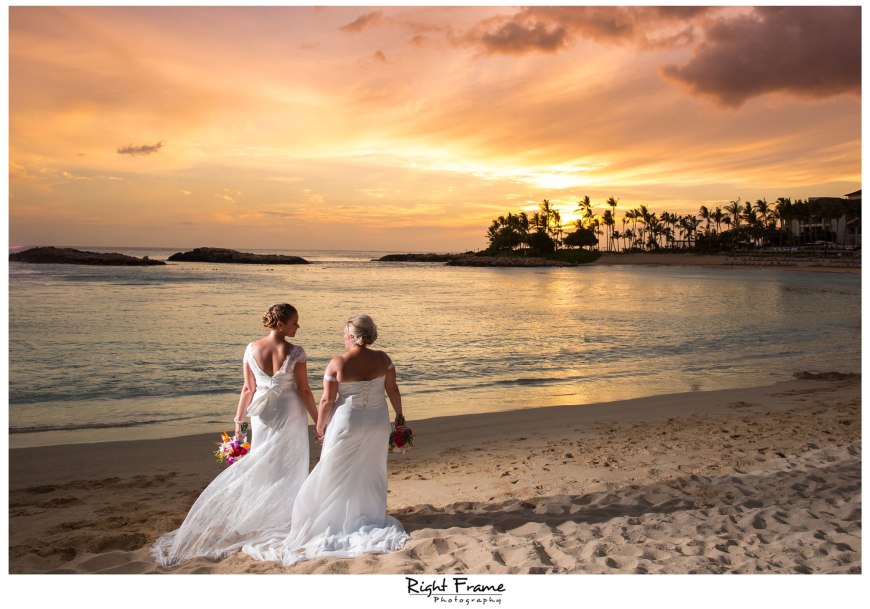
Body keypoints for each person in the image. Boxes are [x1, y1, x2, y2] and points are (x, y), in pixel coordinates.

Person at [152, 303, 318, 566]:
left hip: (261, 413)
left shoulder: (251, 348)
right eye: (294, 322)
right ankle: (284, 514)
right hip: (289, 411)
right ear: (280, 324)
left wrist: (239, 420)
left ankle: (263, 513)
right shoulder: (295, 351)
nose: (298, 326)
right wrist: (318, 420)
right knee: (289, 462)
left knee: (263, 461)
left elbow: (247, 388)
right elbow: (305, 391)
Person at [243, 314, 409, 565]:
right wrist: (399, 416)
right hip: (377, 422)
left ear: (353, 336)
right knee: (371, 469)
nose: (343, 337)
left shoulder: (337, 363)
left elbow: (327, 401)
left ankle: (329, 519)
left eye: (345, 333)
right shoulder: (383, 359)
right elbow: (393, 390)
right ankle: (368, 516)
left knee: (331, 471)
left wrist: (320, 425)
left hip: (346, 422)